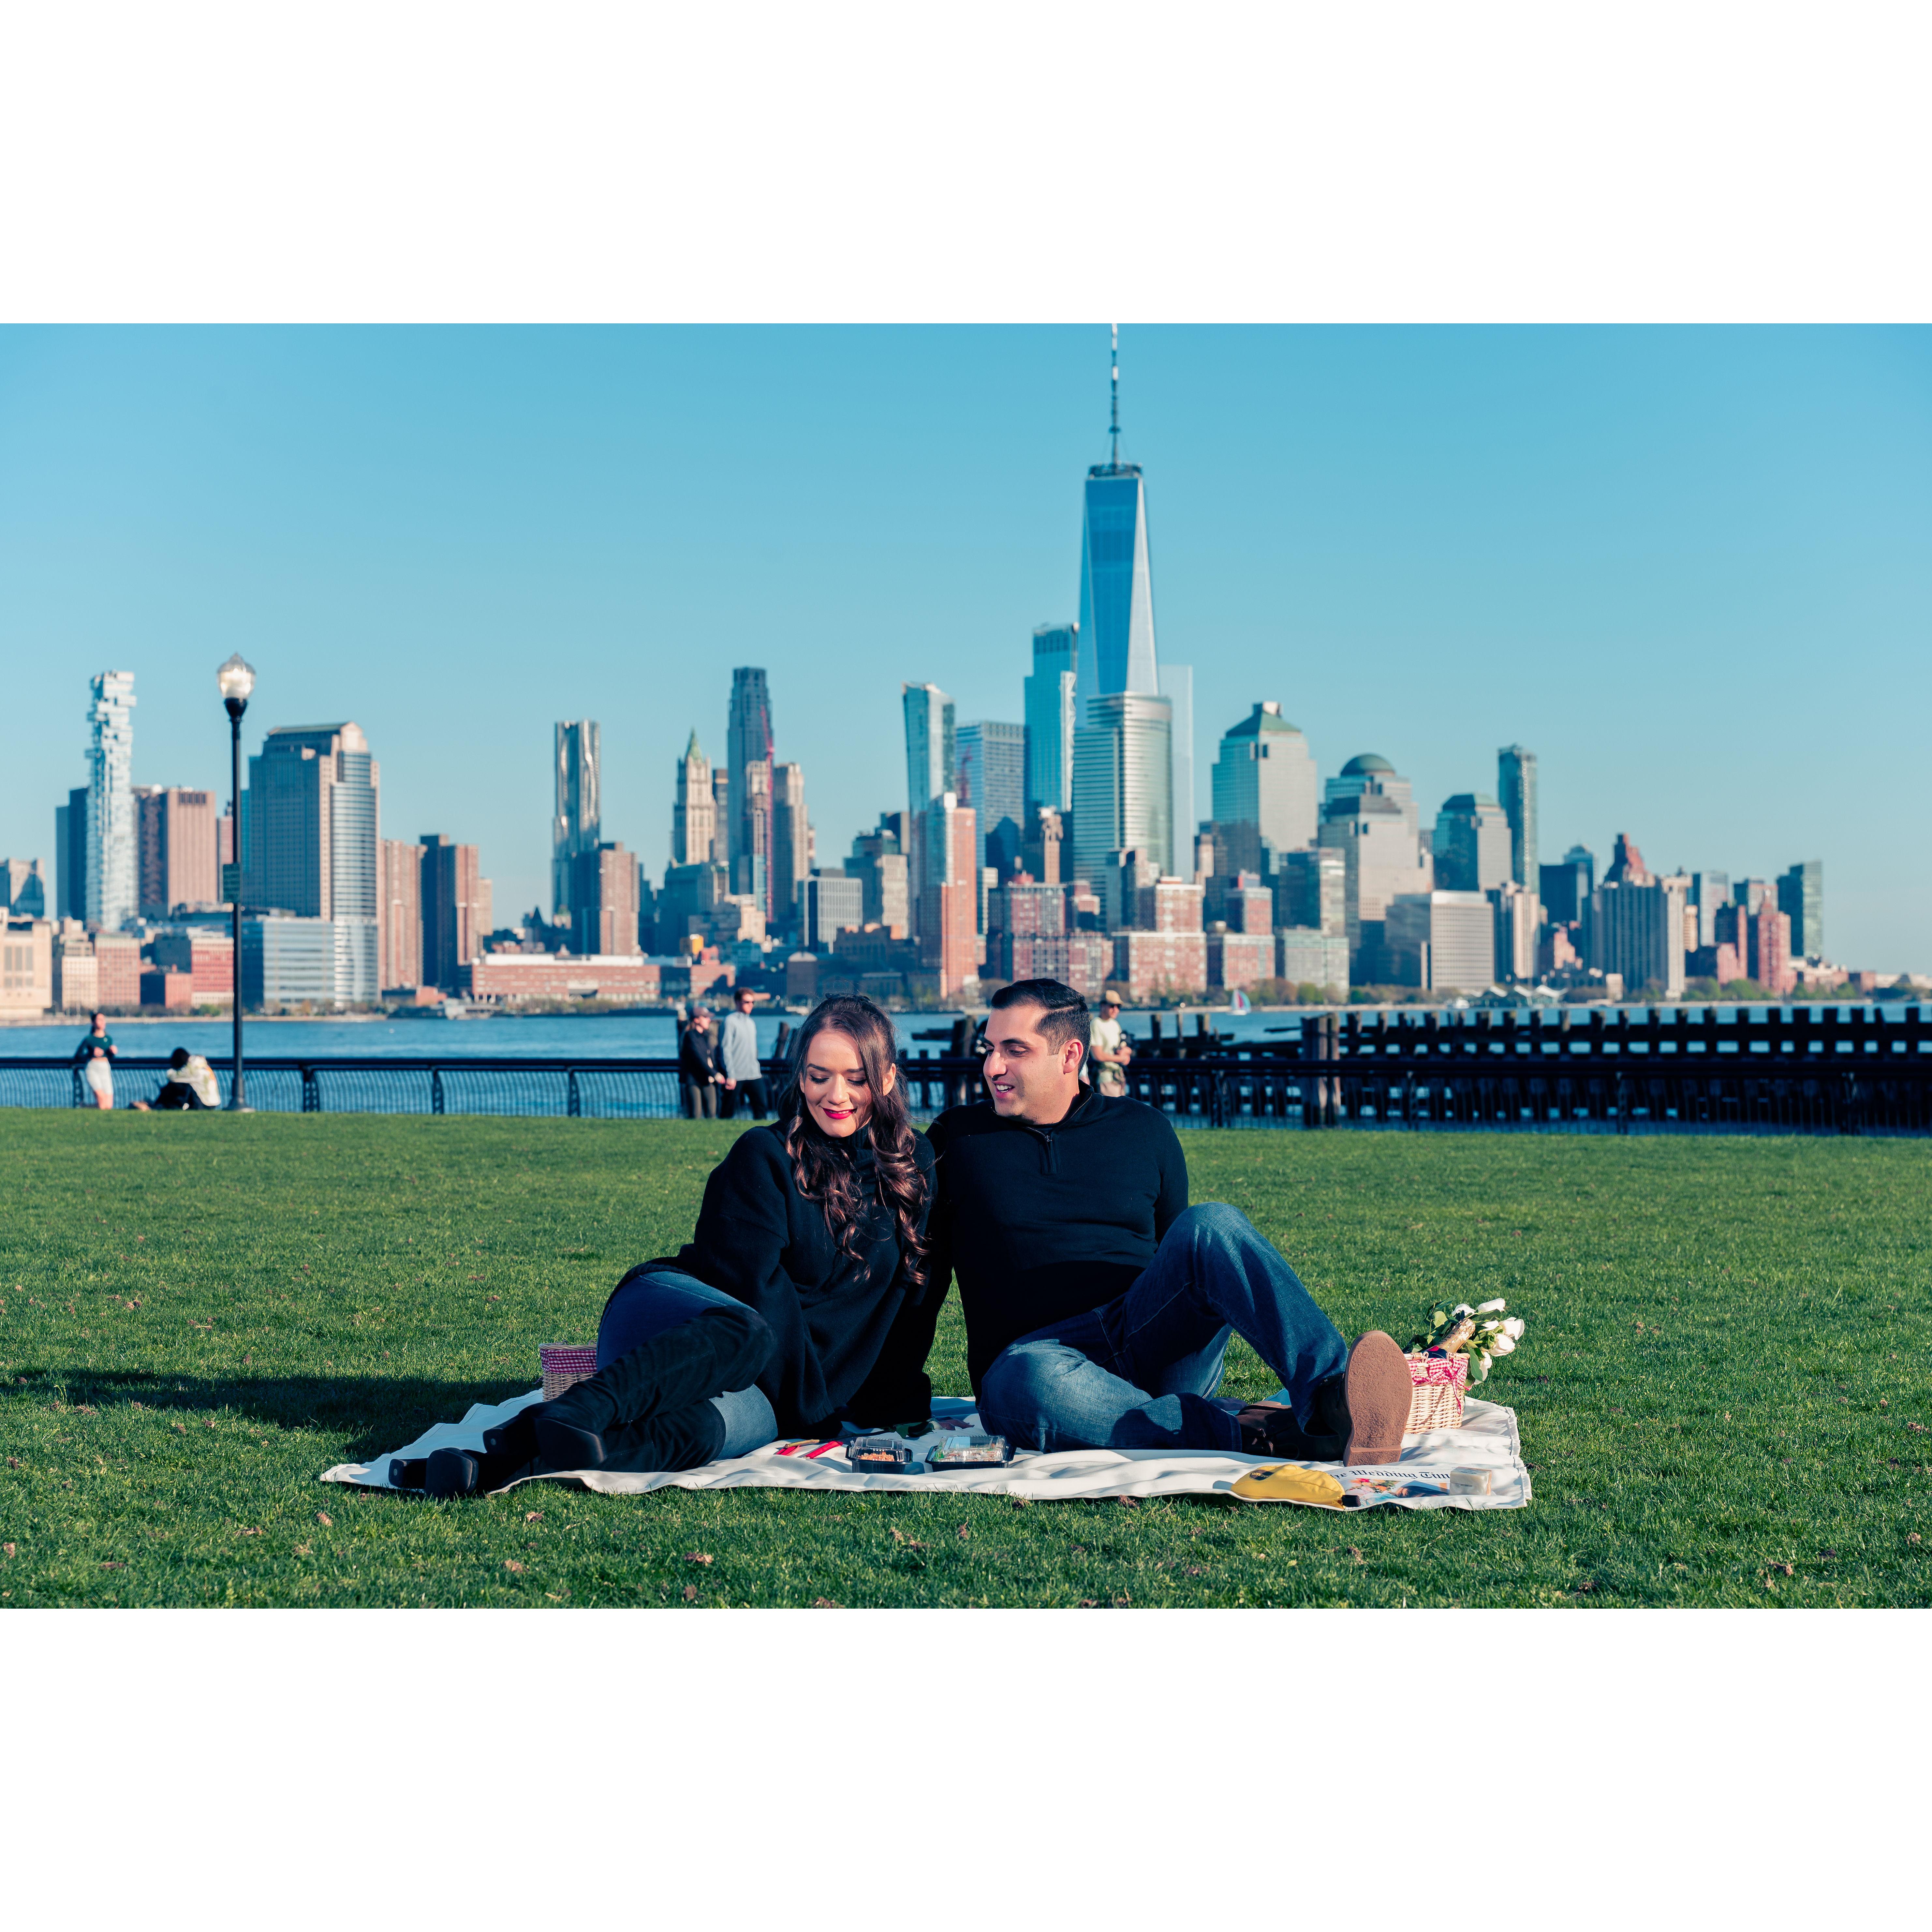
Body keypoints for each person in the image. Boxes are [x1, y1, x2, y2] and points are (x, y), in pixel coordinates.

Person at [410, 994, 938, 1497]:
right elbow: (754, 1291)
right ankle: (574, 1411)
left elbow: (907, 1299)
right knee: (748, 1330)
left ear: (887, 1076)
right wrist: (812, 1402)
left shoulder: (915, 1169)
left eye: (856, 1078)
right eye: (818, 1076)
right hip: (676, 1316)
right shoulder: (764, 1154)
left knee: (715, 1431)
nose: (835, 1095)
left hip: (771, 1384)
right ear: (800, 1075)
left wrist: (892, 1400)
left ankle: (500, 1460)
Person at [923, 977, 1413, 1466]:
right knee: (1022, 1380)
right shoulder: (955, 1139)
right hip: (1037, 1365)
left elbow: (1186, 1264)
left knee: (1210, 1223)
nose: (992, 1067)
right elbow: (921, 1279)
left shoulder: (1144, 1128)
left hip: (1146, 1339)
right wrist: (895, 1394)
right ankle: (1254, 1433)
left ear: (1070, 1054)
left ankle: (1334, 1398)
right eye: (989, 1048)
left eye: (1014, 1050)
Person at [716, 985, 770, 1119]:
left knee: (761, 1107)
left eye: (753, 1002)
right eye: (747, 1002)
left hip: (754, 1074)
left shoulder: (751, 1023)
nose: (751, 1005)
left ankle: (762, 1137)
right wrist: (730, 1074)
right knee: (727, 1112)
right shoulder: (729, 1022)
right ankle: (721, 1134)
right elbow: (725, 1049)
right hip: (736, 1075)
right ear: (738, 1003)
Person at [134, 1047, 221, 1111]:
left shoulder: (192, 1068)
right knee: (182, 1085)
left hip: (204, 1104)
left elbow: (173, 1078)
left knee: (175, 1085)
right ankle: (160, 1105)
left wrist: (172, 1072)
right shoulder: (201, 1065)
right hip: (214, 1103)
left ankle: (158, 1105)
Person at [679, 1006, 723, 1118]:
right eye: (706, 1017)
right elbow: (699, 1058)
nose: (709, 1020)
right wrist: (715, 1074)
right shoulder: (690, 1036)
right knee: (696, 1115)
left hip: (708, 1079)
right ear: (697, 1020)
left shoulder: (707, 1036)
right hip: (694, 1080)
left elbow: (711, 1058)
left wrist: (718, 1072)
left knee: (712, 1114)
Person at [1087, 989, 1131, 1096]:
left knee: (1121, 1111)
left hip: (1118, 1076)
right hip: (1105, 1077)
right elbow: (1098, 1056)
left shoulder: (1115, 1024)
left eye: (1118, 1007)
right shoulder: (1096, 1024)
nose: (1116, 1010)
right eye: (1112, 1006)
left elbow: (1122, 1046)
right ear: (1102, 1006)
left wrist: (1127, 1052)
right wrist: (1122, 1059)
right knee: (1113, 1111)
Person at [73, 1013, 117, 1110]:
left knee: (108, 1106)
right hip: (93, 1068)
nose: (102, 1022)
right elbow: (78, 1056)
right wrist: (92, 1054)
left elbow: (111, 1058)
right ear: (93, 1023)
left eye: (104, 1019)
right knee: (102, 1102)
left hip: (105, 1068)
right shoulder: (89, 1039)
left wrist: (112, 1053)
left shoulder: (108, 1039)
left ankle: (85, 1107)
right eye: (100, 1020)